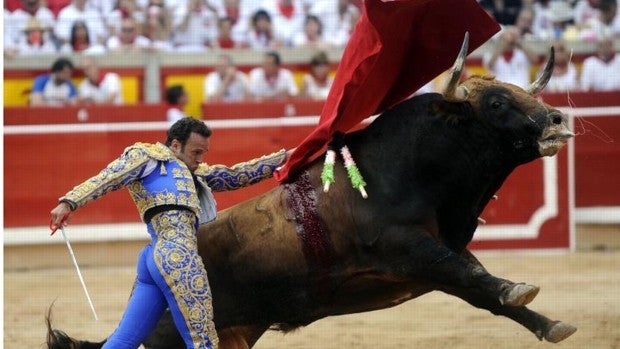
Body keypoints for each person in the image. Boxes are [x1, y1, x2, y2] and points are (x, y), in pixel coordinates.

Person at [50, 116, 291, 349]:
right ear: (175, 145)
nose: (200, 159)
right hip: (178, 256)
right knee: (203, 341)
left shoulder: (195, 172)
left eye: (203, 153)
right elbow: (108, 177)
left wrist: (285, 158)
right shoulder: (146, 156)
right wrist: (69, 202)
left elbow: (236, 175)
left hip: (153, 260)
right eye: (196, 152)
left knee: (124, 342)